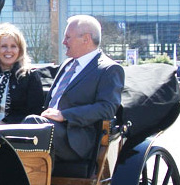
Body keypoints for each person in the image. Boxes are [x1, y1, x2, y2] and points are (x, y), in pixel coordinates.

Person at [26, 14, 124, 162]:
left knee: (34, 124)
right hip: (49, 128)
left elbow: (107, 108)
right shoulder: (67, 64)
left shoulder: (109, 69)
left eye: (68, 37)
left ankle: (30, 176)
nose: (63, 42)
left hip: (76, 138)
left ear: (86, 39)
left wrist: (64, 115)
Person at [0, 23, 44, 124]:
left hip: (15, 130)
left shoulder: (30, 76)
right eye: (4, 46)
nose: (9, 50)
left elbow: (35, 112)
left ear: (20, 50)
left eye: (13, 46)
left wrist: (6, 123)